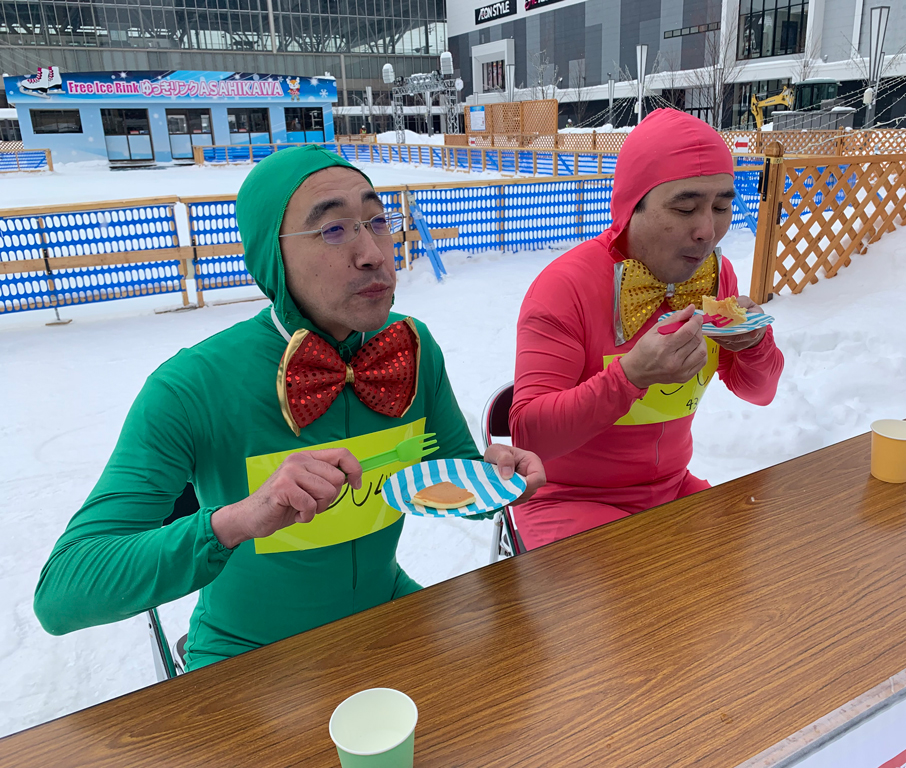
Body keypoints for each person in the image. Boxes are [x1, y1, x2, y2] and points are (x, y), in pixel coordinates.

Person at [34, 146, 545, 670]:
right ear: (272, 255)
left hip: (387, 615)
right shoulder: (191, 386)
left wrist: (497, 476)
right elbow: (63, 593)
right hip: (247, 651)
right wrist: (234, 520)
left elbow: (454, 480)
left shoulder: (413, 351)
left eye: (376, 220)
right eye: (333, 229)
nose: (372, 252)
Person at [510, 109, 783, 549]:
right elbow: (528, 433)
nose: (707, 231)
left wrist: (753, 343)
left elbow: (760, 393)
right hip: (568, 499)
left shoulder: (718, 276)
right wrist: (629, 377)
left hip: (673, 490)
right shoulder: (565, 287)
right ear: (630, 205)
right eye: (685, 207)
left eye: (722, 206)